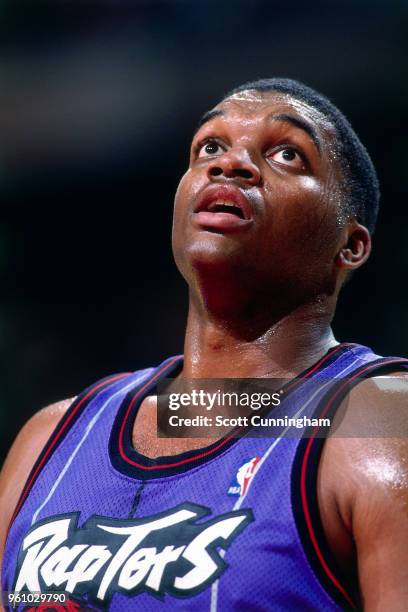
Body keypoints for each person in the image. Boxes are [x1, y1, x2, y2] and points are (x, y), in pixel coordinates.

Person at [1, 78, 408, 611]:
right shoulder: (54, 436)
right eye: (210, 147)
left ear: (350, 244)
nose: (230, 164)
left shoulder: (379, 424)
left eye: (288, 153)